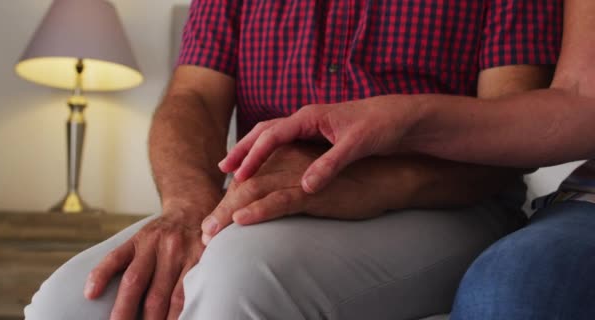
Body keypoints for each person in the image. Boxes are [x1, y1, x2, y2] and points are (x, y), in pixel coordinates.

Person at [24, 1, 562, 319]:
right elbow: (192, 97)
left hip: (448, 204)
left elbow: (509, 134)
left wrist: (362, 182)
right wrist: (189, 206)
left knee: (239, 281)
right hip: (250, 204)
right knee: (67, 304)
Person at [219, 1, 595, 319]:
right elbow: (581, 101)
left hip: (454, 197)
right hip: (586, 200)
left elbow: (503, 157)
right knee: (510, 289)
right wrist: (188, 208)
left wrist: (390, 153)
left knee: (244, 276)